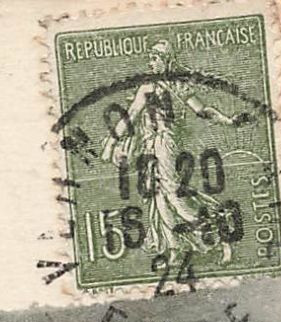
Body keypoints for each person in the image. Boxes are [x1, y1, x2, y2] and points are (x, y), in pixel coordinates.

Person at [99, 40, 252, 263]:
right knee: (157, 197)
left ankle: (221, 238)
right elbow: (130, 117)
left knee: (174, 195)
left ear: (166, 60)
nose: (150, 63)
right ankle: (175, 248)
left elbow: (203, 111)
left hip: (165, 143)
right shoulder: (147, 87)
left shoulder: (178, 86)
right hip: (148, 146)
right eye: (150, 58)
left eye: (155, 58)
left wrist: (228, 121)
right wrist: (110, 144)